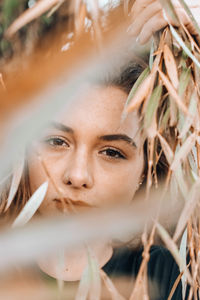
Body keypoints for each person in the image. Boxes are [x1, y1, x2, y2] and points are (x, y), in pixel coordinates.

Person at [0, 60, 183, 299]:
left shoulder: (172, 276)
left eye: (111, 152)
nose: (77, 176)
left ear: (144, 171)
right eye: (56, 141)